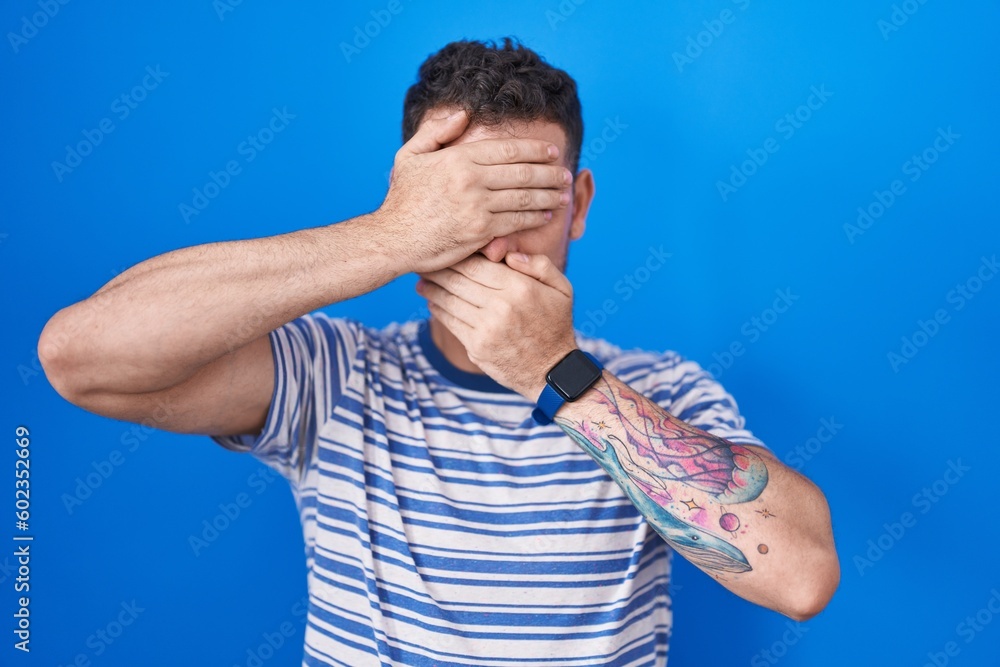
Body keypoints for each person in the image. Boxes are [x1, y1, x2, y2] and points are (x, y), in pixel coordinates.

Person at [39, 38, 838, 667]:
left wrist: (555, 375)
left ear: (578, 205)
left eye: (524, 199)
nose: (490, 242)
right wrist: (391, 233)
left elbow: (800, 576)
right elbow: (80, 356)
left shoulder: (663, 390)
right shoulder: (338, 378)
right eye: (463, 204)